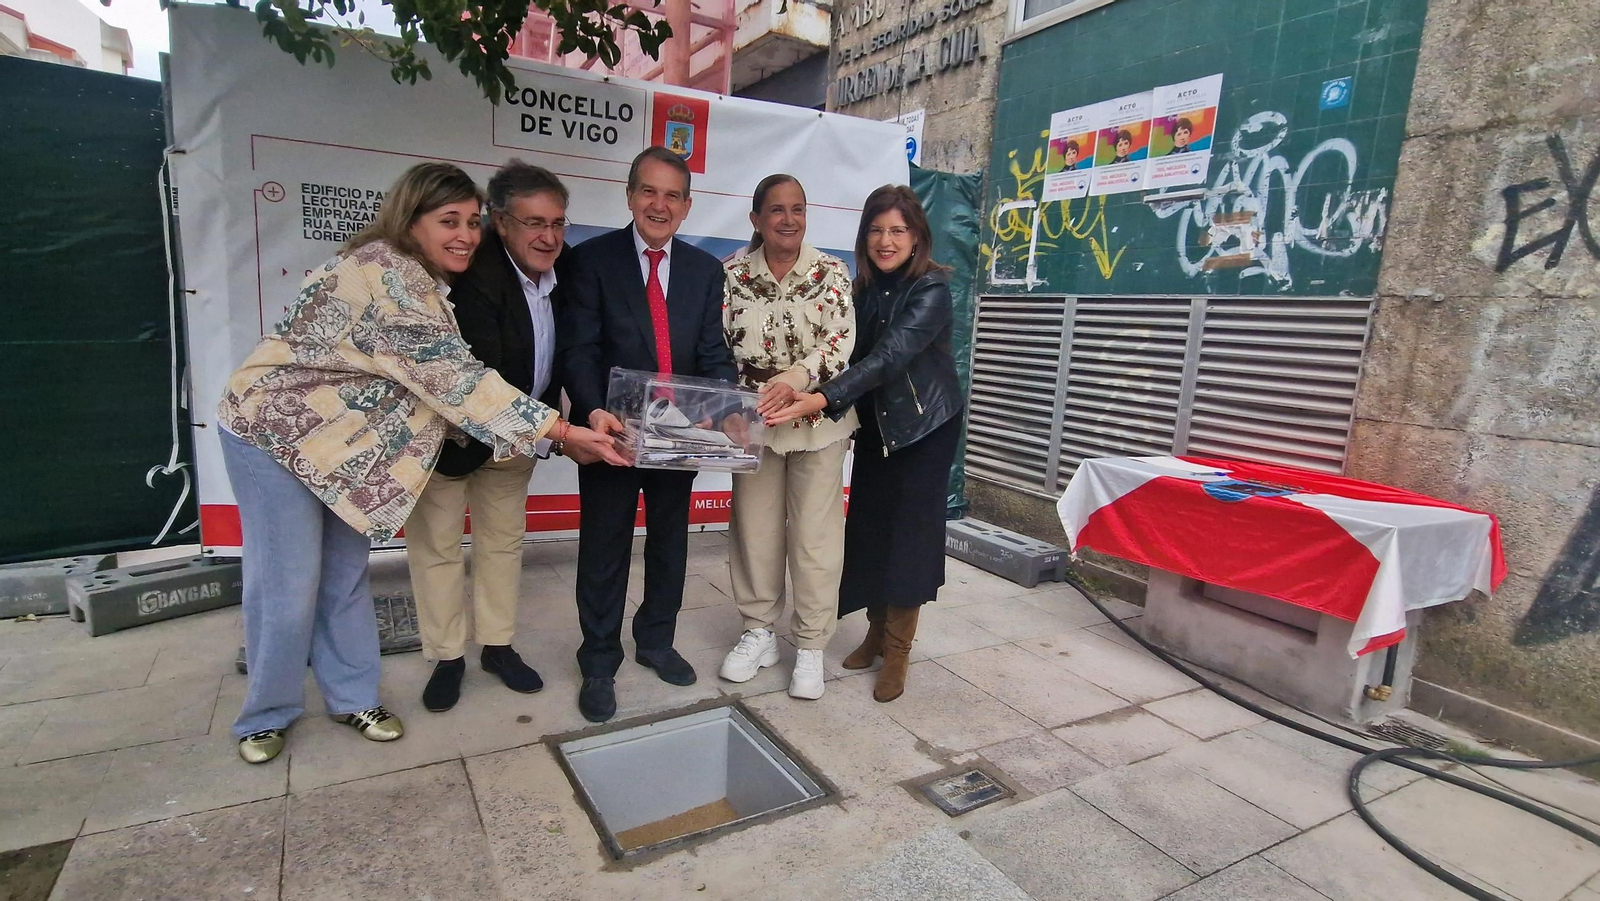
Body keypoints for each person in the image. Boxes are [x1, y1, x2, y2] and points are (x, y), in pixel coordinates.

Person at [218, 162, 623, 764]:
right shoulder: (387, 273)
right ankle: (266, 714)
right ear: (410, 222)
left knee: (344, 574)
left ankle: (352, 696)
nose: (464, 235)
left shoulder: (425, 277)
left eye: (470, 222)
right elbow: (455, 379)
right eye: (447, 222)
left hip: (338, 446)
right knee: (288, 584)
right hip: (273, 434)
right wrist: (560, 431)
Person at [556, 146, 739, 723]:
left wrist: (720, 403)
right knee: (604, 548)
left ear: (687, 206)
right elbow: (578, 349)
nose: (659, 205)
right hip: (611, 438)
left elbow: (713, 351)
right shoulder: (589, 261)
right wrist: (590, 413)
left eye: (673, 195)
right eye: (649, 191)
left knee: (669, 545)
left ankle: (656, 641)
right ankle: (600, 658)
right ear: (630, 195)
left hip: (678, 438)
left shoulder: (705, 272)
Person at [766, 185, 962, 703]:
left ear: (917, 236)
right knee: (872, 533)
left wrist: (818, 399)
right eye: (876, 229)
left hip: (923, 429)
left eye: (897, 230)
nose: (885, 240)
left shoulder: (931, 290)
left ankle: (898, 648)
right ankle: (876, 631)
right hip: (875, 428)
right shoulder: (861, 289)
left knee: (909, 542)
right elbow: (838, 349)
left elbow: (888, 359)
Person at [404, 160, 570, 714]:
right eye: (533, 223)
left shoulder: (564, 271)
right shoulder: (469, 273)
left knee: (502, 541)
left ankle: (497, 646)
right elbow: (475, 377)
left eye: (558, 223)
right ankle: (447, 657)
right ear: (501, 222)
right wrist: (559, 434)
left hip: (517, 437)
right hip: (450, 441)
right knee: (439, 548)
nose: (548, 236)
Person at [717, 174, 855, 700]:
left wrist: (796, 379)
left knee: (816, 539)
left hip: (818, 422)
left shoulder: (831, 272)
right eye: (776, 210)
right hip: (751, 423)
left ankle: (812, 645)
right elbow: (715, 343)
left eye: (798, 208)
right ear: (756, 219)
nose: (789, 219)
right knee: (754, 531)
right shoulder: (730, 275)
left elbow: (842, 338)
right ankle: (759, 632)